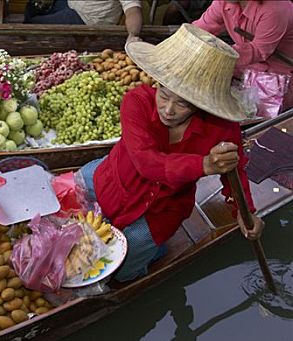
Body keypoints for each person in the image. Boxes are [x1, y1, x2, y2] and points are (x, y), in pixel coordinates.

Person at [78, 23, 265, 282]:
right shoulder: (137, 101)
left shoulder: (221, 128)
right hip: (116, 182)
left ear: (201, 106)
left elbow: (234, 170)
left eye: (183, 104)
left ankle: (151, 256)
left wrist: (245, 213)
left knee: (124, 266)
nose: (168, 110)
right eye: (164, 95)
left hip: (163, 207)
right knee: (79, 220)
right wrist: (203, 165)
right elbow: (145, 162)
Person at [193, 0, 293, 110]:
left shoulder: (276, 8)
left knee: (256, 119)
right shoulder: (224, 2)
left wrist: (213, 57)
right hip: (243, 70)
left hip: (277, 80)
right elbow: (199, 29)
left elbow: (258, 50)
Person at [24, 0, 143, 43]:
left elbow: (133, 11)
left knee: (31, 24)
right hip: (69, 4)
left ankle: (24, 40)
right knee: (32, 6)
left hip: (83, 19)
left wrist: (133, 35)